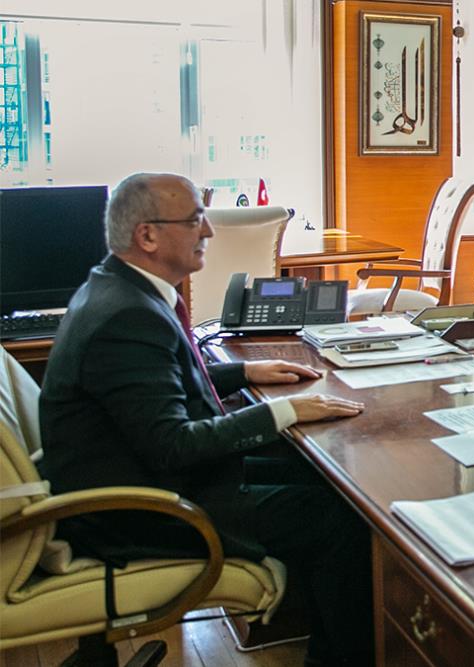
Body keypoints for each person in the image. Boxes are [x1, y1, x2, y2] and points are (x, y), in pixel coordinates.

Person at [38, 172, 374, 665]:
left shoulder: (115, 287)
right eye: (195, 220)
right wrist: (283, 410)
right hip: (141, 510)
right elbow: (172, 444)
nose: (209, 231)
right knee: (340, 521)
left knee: (318, 477)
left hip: (135, 480)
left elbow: (154, 382)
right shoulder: (127, 316)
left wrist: (244, 371)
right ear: (147, 236)